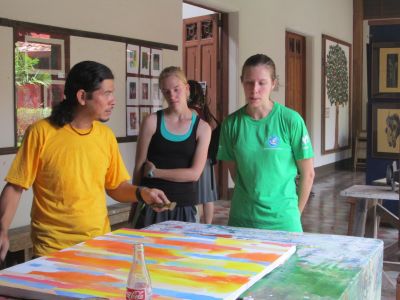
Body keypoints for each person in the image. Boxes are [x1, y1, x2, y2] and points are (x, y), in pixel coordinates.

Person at [0, 61, 169, 260]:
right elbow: (16, 186)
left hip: (98, 244)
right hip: (52, 250)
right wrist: (2, 230)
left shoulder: (105, 136)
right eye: (106, 93)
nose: (113, 101)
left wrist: (143, 193)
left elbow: (115, 187)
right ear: (82, 97)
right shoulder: (41, 133)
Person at [217, 54, 315, 232]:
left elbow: (308, 175)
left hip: (283, 221)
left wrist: (294, 214)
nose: (254, 89)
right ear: (242, 82)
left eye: (262, 83)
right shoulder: (231, 124)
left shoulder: (290, 120)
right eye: (249, 82)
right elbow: (236, 173)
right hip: (242, 220)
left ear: (273, 83)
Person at [131, 66, 211, 228]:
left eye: (176, 89)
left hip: (184, 205)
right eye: (166, 92)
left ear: (187, 88)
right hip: (152, 204)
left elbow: (194, 174)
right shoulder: (152, 121)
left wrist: (155, 172)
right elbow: (139, 167)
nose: (172, 96)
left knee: (182, 253)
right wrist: (134, 203)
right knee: (148, 251)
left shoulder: (202, 128)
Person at [187, 80, 218, 224]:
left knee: (197, 195)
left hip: (196, 157)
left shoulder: (191, 112)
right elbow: (214, 127)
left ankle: (197, 225)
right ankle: (208, 225)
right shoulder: (205, 111)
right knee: (208, 196)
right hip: (208, 159)